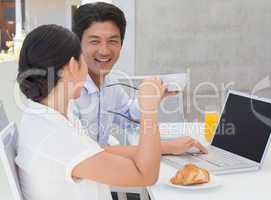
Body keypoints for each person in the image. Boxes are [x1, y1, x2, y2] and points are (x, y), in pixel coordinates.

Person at [15, 24, 167, 200]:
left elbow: (97, 152)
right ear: (73, 65)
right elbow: (145, 175)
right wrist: (149, 110)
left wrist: (162, 148)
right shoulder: (56, 137)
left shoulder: (46, 117)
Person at [72, 2, 207, 155]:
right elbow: (82, 153)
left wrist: (151, 98)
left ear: (121, 44)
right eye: (95, 41)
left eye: (113, 41)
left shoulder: (109, 82)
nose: (104, 51)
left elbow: (129, 116)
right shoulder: (66, 89)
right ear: (77, 43)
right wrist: (165, 148)